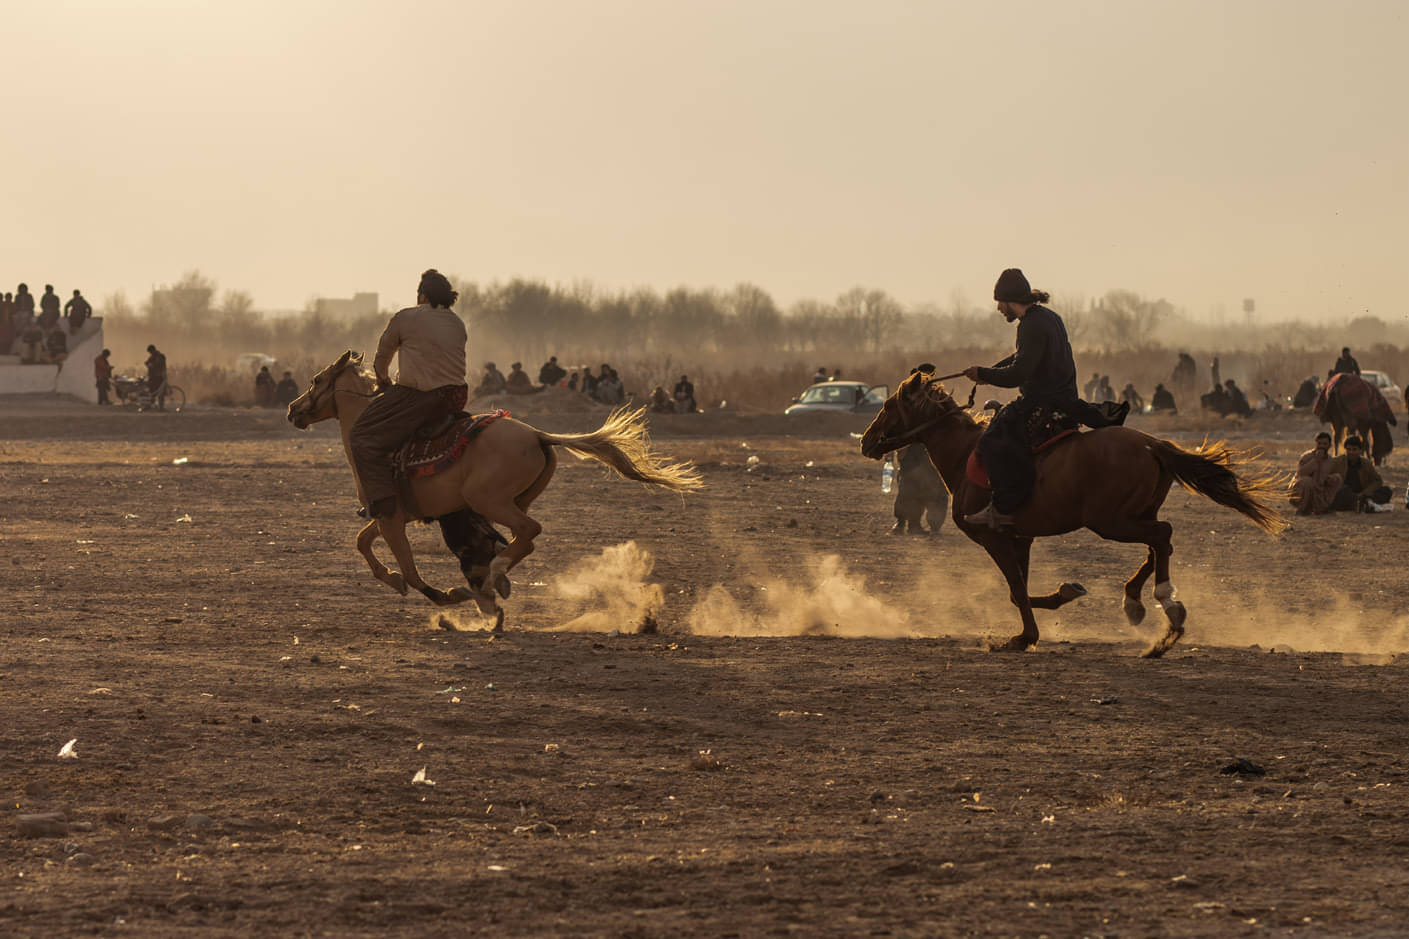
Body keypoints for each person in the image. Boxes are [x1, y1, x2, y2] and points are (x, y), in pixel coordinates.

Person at [960, 268, 1127, 529]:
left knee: (992, 440)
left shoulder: (1030, 326)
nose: (999, 309)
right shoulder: (1048, 317)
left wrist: (984, 373)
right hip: (1063, 398)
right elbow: (1023, 358)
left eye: (1000, 302)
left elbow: (1019, 373)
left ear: (1010, 299)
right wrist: (988, 372)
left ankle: (1003, 508)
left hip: (1043, 402)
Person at [349, 269, 468, 521]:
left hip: (420, 396)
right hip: (456, 396)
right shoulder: (457, 323)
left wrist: (383, 379)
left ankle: (381, 501)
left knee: (361, 436)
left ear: (423, 296)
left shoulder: (406, 317)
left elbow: (383, 356)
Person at [890, 441, 948, 536]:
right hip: (913, 449)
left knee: (934, 490)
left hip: (932, 447)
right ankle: (908, 524)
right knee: (909, 488)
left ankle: (932, 527)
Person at [1327, 435, 1391, 511]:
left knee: (1386, 490)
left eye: (1354, 449)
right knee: (1343, 490)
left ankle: (1361, 503)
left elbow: (1377, 480)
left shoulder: (1366, 463)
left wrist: (1364, 493)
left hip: (1362, 493)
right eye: (1348, 449)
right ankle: (1363, 504)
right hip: (1345, 493)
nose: (1351, 452)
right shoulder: (1337, 461)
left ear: (1360, 450)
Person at [1288, 432, 1341, 516]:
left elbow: (1329, 477)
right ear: (1316, 444)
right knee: (1306, 481)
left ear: (1329, 445)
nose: (1322, 446)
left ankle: (1322, 507)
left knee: (1337, 478)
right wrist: (1316, 460)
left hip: (1318, 493)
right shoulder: (1307, 456)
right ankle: (1302, 509)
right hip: (1301, 492)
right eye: (1319, 443)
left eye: (1325, 444)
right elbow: (1301, 473)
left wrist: (1330, 478)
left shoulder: (1330, 461)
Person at [145, 344, 168, 409]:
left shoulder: (158, 356)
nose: (150, 353)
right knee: (154, 392)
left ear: (152, 350)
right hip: (155, 376)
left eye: (150, 351)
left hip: (156, 377)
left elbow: (157, 365)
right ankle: (155, 406)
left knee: (156, 392)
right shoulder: (157, 356)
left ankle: (156, 406)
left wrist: (149, 365)